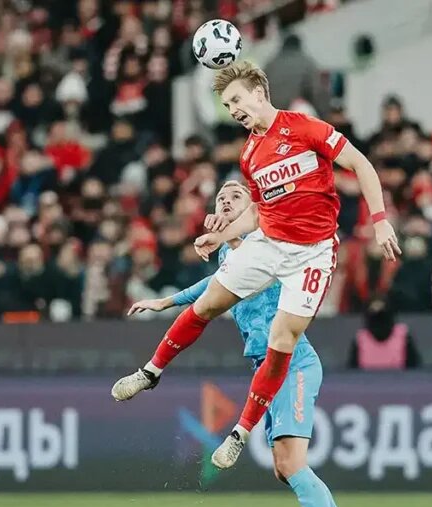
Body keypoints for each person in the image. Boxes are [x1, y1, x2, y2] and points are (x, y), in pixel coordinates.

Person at [111, 60, 400, 471]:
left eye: (236, 100)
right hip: (269, 243)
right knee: (208, 304)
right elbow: (259, 212)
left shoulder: (305, 128)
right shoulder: (249, 155)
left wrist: (380, 221)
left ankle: (240, 433)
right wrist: (220, 234)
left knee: (282, 339)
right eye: (227, 106)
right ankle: (151, 372)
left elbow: (362, 165)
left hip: (312, 254)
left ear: (260, 94)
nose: (233, 110)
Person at [126, 182, 367, 507]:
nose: (226, 199)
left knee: (291, 464)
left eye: (236, 195)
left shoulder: (271, 244)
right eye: (221, 197)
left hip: (292, 363)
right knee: (284, 468)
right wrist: (166, 301)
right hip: (265, 369)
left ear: (254, 208)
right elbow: (211, 287)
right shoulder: (230, 254)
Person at [347, 297, 421, 370]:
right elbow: (352, 371)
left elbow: (413, 368)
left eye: (382, 314)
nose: (378, 320)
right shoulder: (360, 339)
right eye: (375, 314)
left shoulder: (403, 336)